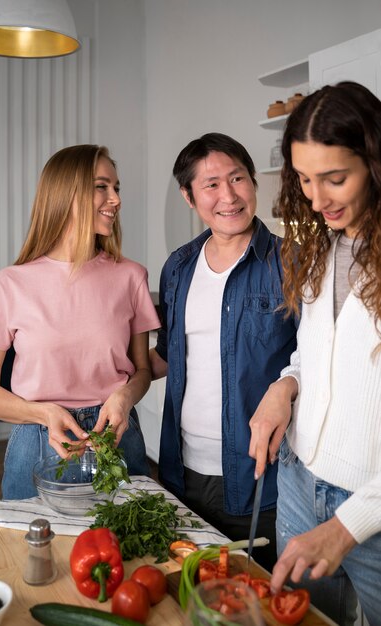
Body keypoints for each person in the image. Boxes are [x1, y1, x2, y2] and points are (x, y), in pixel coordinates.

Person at [249, 82, 381, 626]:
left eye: (335, 178)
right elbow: (313, 353)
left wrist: (349, 525)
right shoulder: (320, 244)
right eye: (304, 179)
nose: (316, 198)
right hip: (299, 481)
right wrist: (286, 387)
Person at [0, 144, 160, 499]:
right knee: (35, 554)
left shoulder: (131, 276)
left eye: (116, 188)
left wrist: (124, 397)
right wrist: (44, 413)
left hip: (116, 437)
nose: (115, 199)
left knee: (130, 551)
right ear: (65, 193)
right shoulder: (9, 284)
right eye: (101, 187)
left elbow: (142, 371)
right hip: (39, 440)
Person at [149, 132, 298, 572]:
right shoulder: (177, 267)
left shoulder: (290, 263)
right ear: (189, 196)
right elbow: (170, 355)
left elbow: (314, 358)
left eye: (238, 179)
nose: (228, 196)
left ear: (253, 182)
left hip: (261, 477)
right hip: (181, 470)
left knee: (257, 598)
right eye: (211, 184)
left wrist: (285, 387)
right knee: (191, 592)